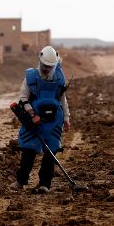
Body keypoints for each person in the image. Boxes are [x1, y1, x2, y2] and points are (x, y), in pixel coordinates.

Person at [11, 45, 70, 193]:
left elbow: (63, 100)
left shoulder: (59, 78)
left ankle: (44, 184)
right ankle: (21, 181)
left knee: (50, 154)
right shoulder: (31, 77)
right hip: (34, 121)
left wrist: (67, 118)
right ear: (40, 62)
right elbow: (23, 98)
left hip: (53, 122)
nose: (46, 69)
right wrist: (32, 114)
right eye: (44, 66)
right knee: (29, 151)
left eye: (49, 66)